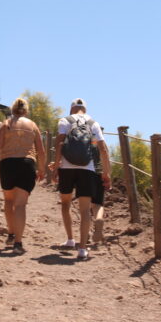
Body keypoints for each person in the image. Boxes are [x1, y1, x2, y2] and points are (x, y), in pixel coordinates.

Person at [49, 98, 111, 260]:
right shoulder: (93, 124)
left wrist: (56, 166)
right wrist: (106, 172)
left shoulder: (65, 121)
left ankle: (70, 239)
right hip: (87, 169)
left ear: (72, 109)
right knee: (85, 210)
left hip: (67, 169)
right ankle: (82, 249)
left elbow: (60, 144)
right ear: (85, 109)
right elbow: (102, 148)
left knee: (65, 203)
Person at [0, 97, 45, 254]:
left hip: (7, 163)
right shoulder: (32, 125)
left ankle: (11, 234)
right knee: (21, 205)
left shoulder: (7, 124)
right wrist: (42, 169)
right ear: (26, 110)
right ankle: (18, 242)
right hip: (27, 163)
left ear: (12, 110)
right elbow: (41, 150)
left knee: (9, 200)